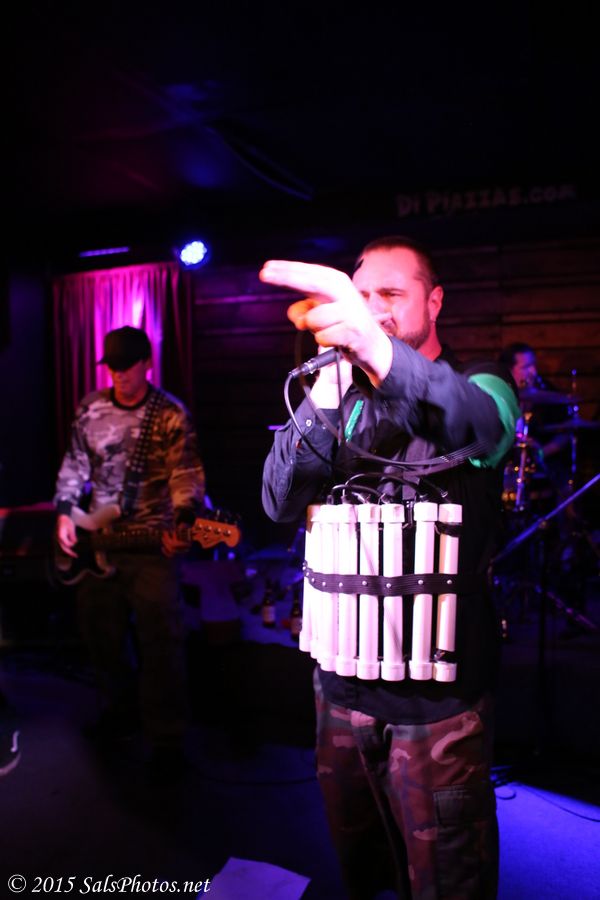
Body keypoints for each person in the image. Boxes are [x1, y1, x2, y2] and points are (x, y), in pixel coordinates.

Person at [261, 236, 519, 899]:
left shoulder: (481, 383)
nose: (373, 309)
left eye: (392, 294)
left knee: (448, 881)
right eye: (362, 296)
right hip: (340, 697)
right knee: (364, 873)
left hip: (436, 709)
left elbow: (480, 427)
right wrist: (329, 386)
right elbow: (278, 500)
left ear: (435, 302)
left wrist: (377, 352)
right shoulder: (338, 398)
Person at [54, 326, 205, 777]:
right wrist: (65, 512)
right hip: (99, 540)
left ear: (147, 364)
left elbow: (186, 474)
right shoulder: (90, 408)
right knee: (101, 637)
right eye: (113, 368)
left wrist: (184, 519)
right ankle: (119, 714)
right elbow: (75, 463)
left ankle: (167, 741)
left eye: (127, 367)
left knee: (161, 642)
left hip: (151, 543)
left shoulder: (170, 414)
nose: (119, 375)